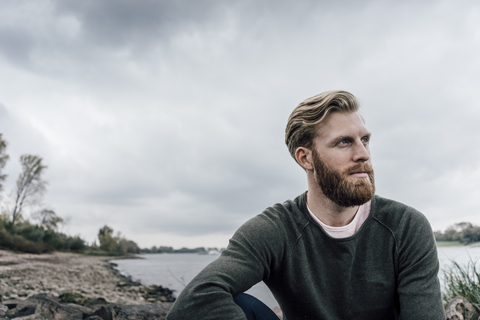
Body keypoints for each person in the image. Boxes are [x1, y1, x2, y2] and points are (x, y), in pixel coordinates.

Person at [166, 90, 445, 320]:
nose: (363, 154)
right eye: (344, 142)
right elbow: (194, 302)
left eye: (365, 140)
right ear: (305, 158)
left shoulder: (406, 227)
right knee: (239, 304)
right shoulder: (275, 230)